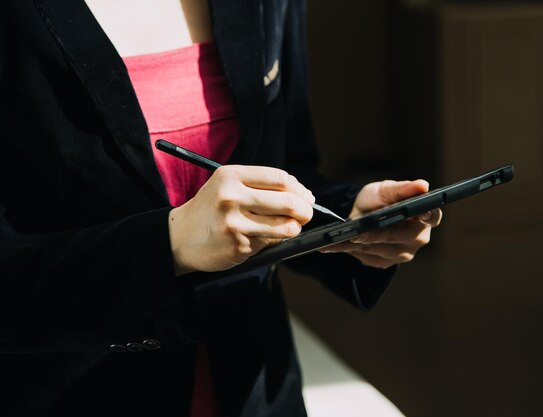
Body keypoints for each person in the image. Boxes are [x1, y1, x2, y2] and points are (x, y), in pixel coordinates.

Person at [0, 0, 442, 416]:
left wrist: (348, 216)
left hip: (257, 387)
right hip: (72, 394)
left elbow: (288, 163)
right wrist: (169, 243)